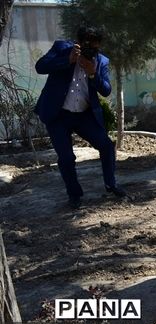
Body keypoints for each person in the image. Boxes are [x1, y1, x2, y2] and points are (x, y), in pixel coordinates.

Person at [34, 26, 126, 209]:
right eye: (87, 44)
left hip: (84, 115)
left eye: (95, 45)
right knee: (67, 158)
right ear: (78, 41)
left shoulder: (101, 61)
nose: (91, 48)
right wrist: (67, 60)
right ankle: (74, 195)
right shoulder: (62, 48)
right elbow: (40, 67)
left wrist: (93, 73)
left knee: (107, 146)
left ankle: (111, 184)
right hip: (58, 115)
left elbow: (106, 90)